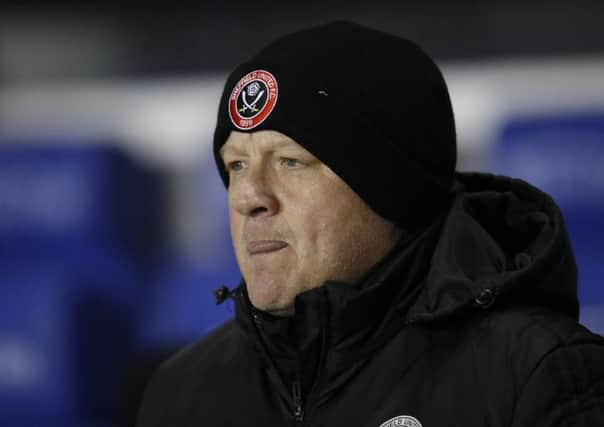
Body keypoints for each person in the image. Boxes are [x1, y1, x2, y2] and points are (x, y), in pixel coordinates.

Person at [137, 21, 604, 427]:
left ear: (388, 189)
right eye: (236, 165)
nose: (247, 197)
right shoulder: (181, 392)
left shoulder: (533, 375)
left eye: (290, 162)